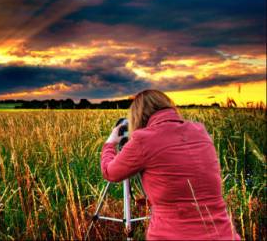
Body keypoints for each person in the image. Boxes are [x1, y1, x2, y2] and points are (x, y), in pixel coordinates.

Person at [101, 89, 240, 240]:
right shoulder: (200, 131)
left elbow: (110, 173)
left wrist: (110, 143)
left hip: (173, 234)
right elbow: (185, 182)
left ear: (138, 116)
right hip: (224, 234)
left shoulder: (143, 139)